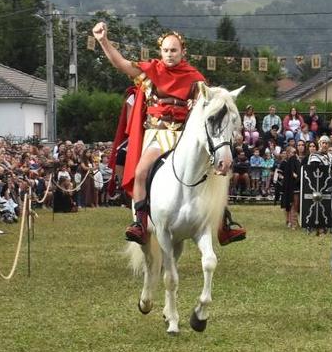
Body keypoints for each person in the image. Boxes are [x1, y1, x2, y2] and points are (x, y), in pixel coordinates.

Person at [93, 22, 245, 246]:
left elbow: (212, 107)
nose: (169, 54)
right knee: (142, 171)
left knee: (214, 174)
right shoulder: (150, 72)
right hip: (157, 134)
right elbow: (121, 64)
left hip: (185, 136)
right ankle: (141, 223)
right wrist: (102, 41)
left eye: (174, 50)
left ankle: (224, 224)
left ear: (183, 51)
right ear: (160, 51)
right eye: (165, 50)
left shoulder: (195, 78)